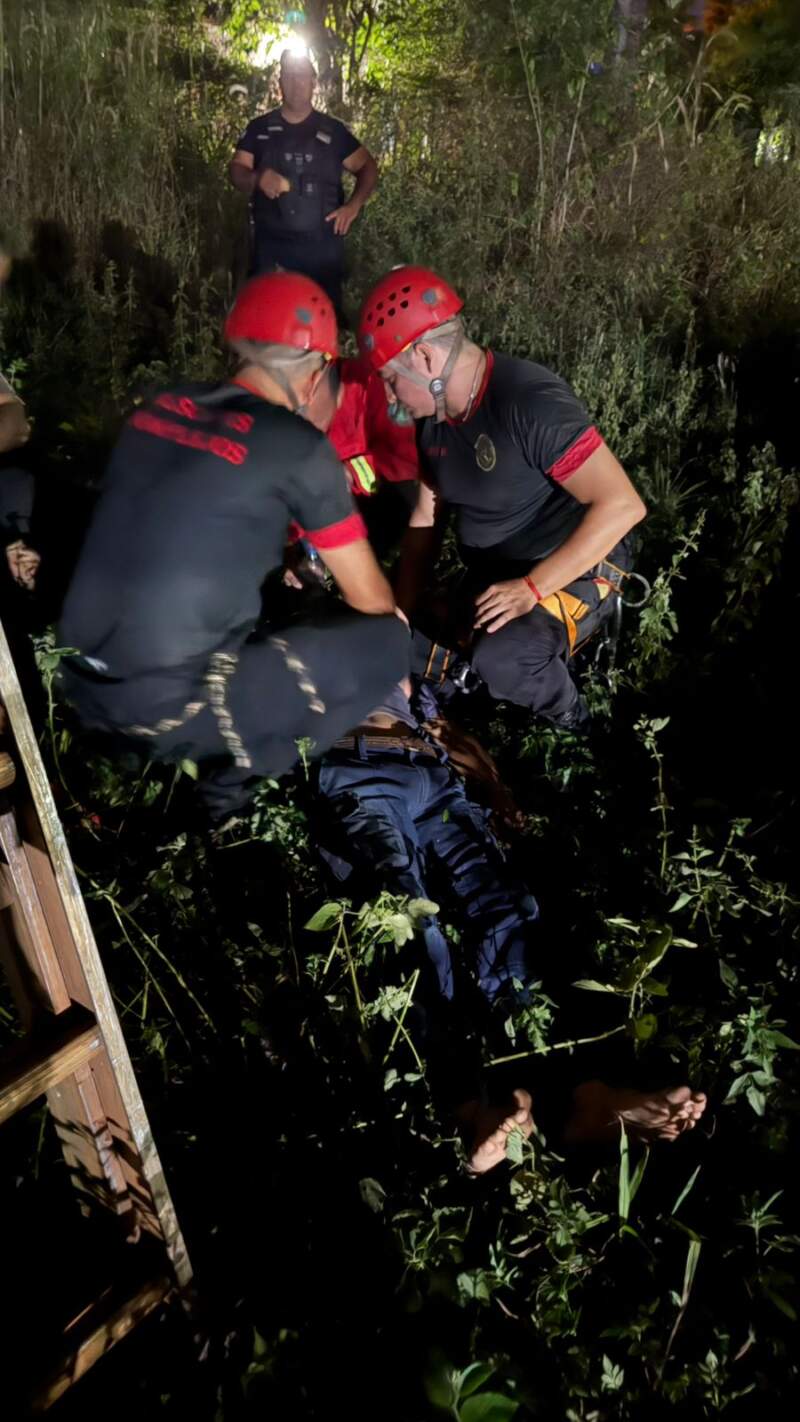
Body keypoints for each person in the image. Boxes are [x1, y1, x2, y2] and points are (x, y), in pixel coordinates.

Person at [57, 272, 409, 825]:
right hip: (162, 716)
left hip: (76, 685)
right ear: (316, 374)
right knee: (389, 641)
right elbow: (371, 600)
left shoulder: (160, 404)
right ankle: (230, 789)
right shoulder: (299, 447)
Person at [315, 678, 707, 1172]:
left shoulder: (419, 657)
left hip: (434, 778)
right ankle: (471, 1109)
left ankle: (578, 1094)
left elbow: (452, 726)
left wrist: (494, 787)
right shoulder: (321, 632)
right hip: (363, 764)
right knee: (409, 919)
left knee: (508, 911)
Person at [357, 267, 647, 729]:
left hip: (571, 564)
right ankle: (472, 684)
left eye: (393, 380)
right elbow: (425, 524)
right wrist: (397, 618)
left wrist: (532, 588)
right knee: (377, 639)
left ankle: (579, 721)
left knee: (504, 655)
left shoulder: (526, 400)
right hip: (494, 575)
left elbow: (623, 505)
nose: (391, 397)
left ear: (426, 358)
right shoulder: (433, 418)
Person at [229, 49, 378, 313]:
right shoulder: (259, 129)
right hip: (271, 251)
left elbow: (367, 166)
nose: (296, 83)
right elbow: (237, 170)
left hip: (322, 254)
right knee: (269, 325)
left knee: (323, 329)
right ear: (280, 84)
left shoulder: (333, 132)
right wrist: (257, 178)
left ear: (313, 83)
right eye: (289, 76)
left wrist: (353, 206)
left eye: (302, 76)